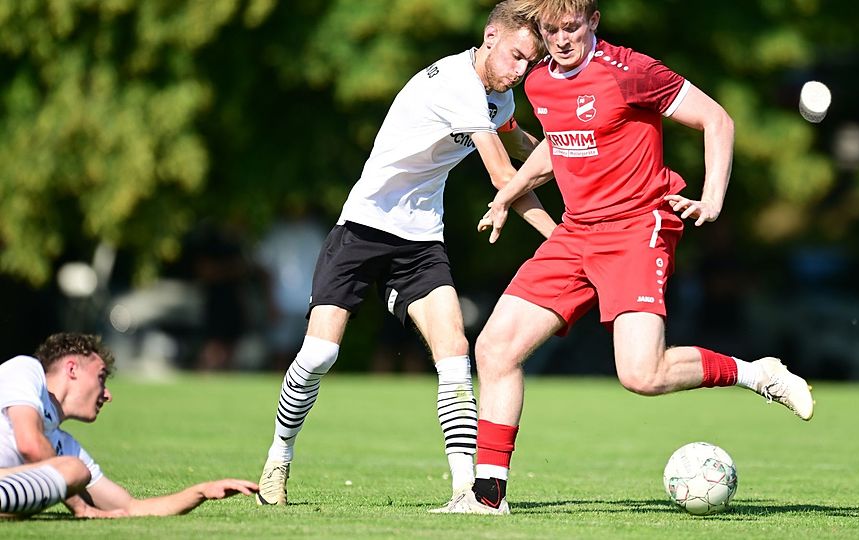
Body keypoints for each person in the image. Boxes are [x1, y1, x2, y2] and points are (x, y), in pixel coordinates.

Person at [439, 0, 816, 515]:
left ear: (593, 22)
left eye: (571, 27)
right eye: (550, 30)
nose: (560, 40)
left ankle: (758, 374)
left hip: (637, 229)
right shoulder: (540, 82)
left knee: (643, 375)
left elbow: (717, 120)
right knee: (495, 348)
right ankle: (488, 497)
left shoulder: (632, 71)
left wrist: (712, 198)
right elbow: (559, 144)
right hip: (576, 232)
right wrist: (509, 193)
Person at [255, 0, 557, 509]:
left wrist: (565, 212)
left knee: (455, 351)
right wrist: (571, 174)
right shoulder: (458, 84)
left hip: (420, 241)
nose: (521, 71)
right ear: (490, 37)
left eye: (530, 61)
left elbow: (527, 156)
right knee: (320, 356)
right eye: (516, 56)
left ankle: (465, 491)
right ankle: (278, 457)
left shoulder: (499, 99)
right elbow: (506, 177)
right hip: (363, 229)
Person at [0, 333, 258, 519]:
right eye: (101, 377)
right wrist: (80, 507)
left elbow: (130, 508)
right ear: (71, 369)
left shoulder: (66, 446)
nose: (107, 394)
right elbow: (30, 444)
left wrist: (201, 491)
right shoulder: (26, 369)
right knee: (74, 469)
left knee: (75, 469)